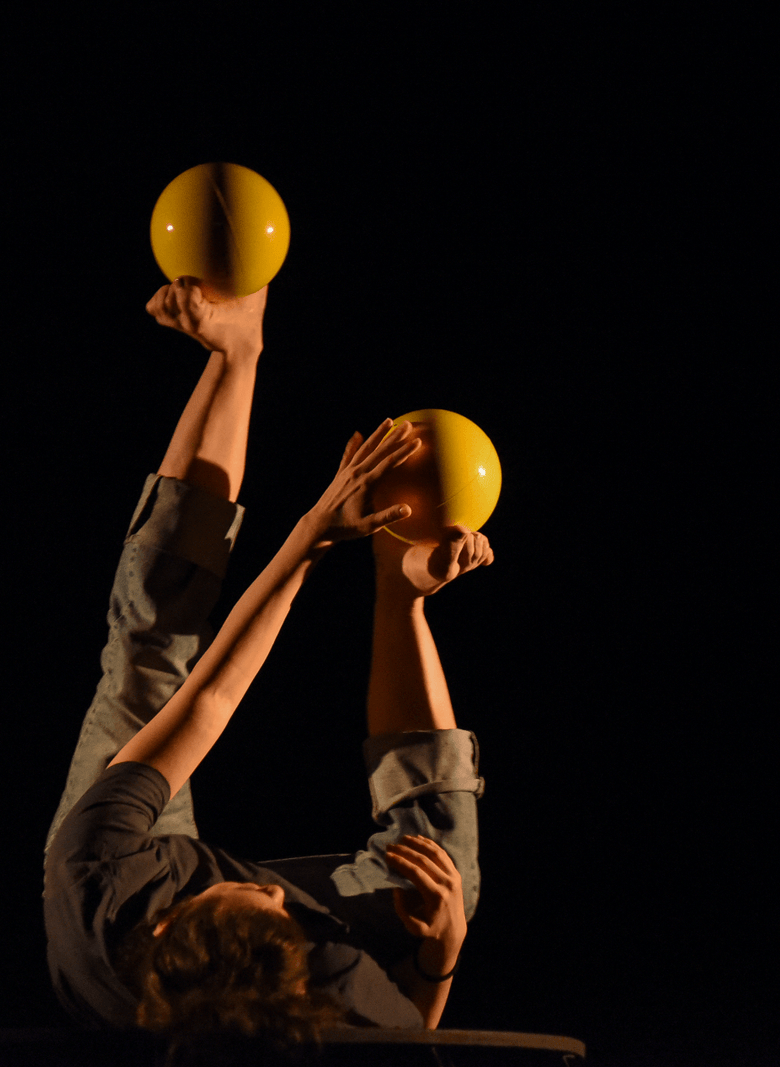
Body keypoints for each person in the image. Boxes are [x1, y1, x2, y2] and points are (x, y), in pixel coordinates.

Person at [42, 277, 492, 1061]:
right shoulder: (319, 979)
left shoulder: (98, 873)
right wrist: (440, 952)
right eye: (284, 913)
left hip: (123, 887)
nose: (277, 891)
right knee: (442, 877)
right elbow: (407, 1036)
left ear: (167, 919)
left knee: (150, 651)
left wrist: (314, 533)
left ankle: (234, 352)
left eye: (259, 898)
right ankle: (400, 587)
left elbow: (209, 698)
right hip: (244, 975)